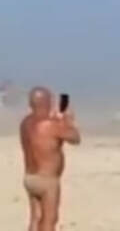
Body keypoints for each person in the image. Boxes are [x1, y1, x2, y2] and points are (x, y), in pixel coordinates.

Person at [19, 86, 81, 231]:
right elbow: (75, 138)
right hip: (47, 180)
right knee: (49, 220)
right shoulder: (51, 125)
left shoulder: (25, 123)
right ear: (46, 102)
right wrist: (68, 120)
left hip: (30, 177)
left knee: (35, 218)